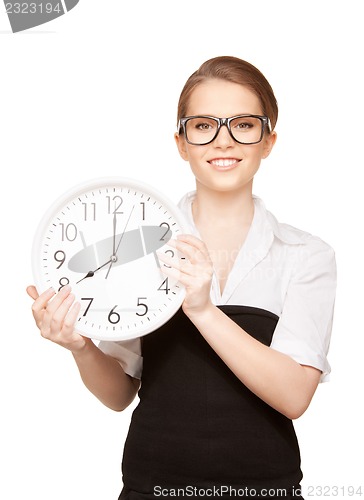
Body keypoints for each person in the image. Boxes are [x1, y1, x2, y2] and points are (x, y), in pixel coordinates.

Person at [27, 56, 337, 499]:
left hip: (268, 489)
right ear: (181, 142)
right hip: (151, 488)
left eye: (244, 125)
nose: (222, 141)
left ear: (268, 141)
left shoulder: (306, 255)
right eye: (203, 125)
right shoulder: (132, 247)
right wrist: (80, 347)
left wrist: (203, 309)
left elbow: (294, 397)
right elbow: (119, 395)